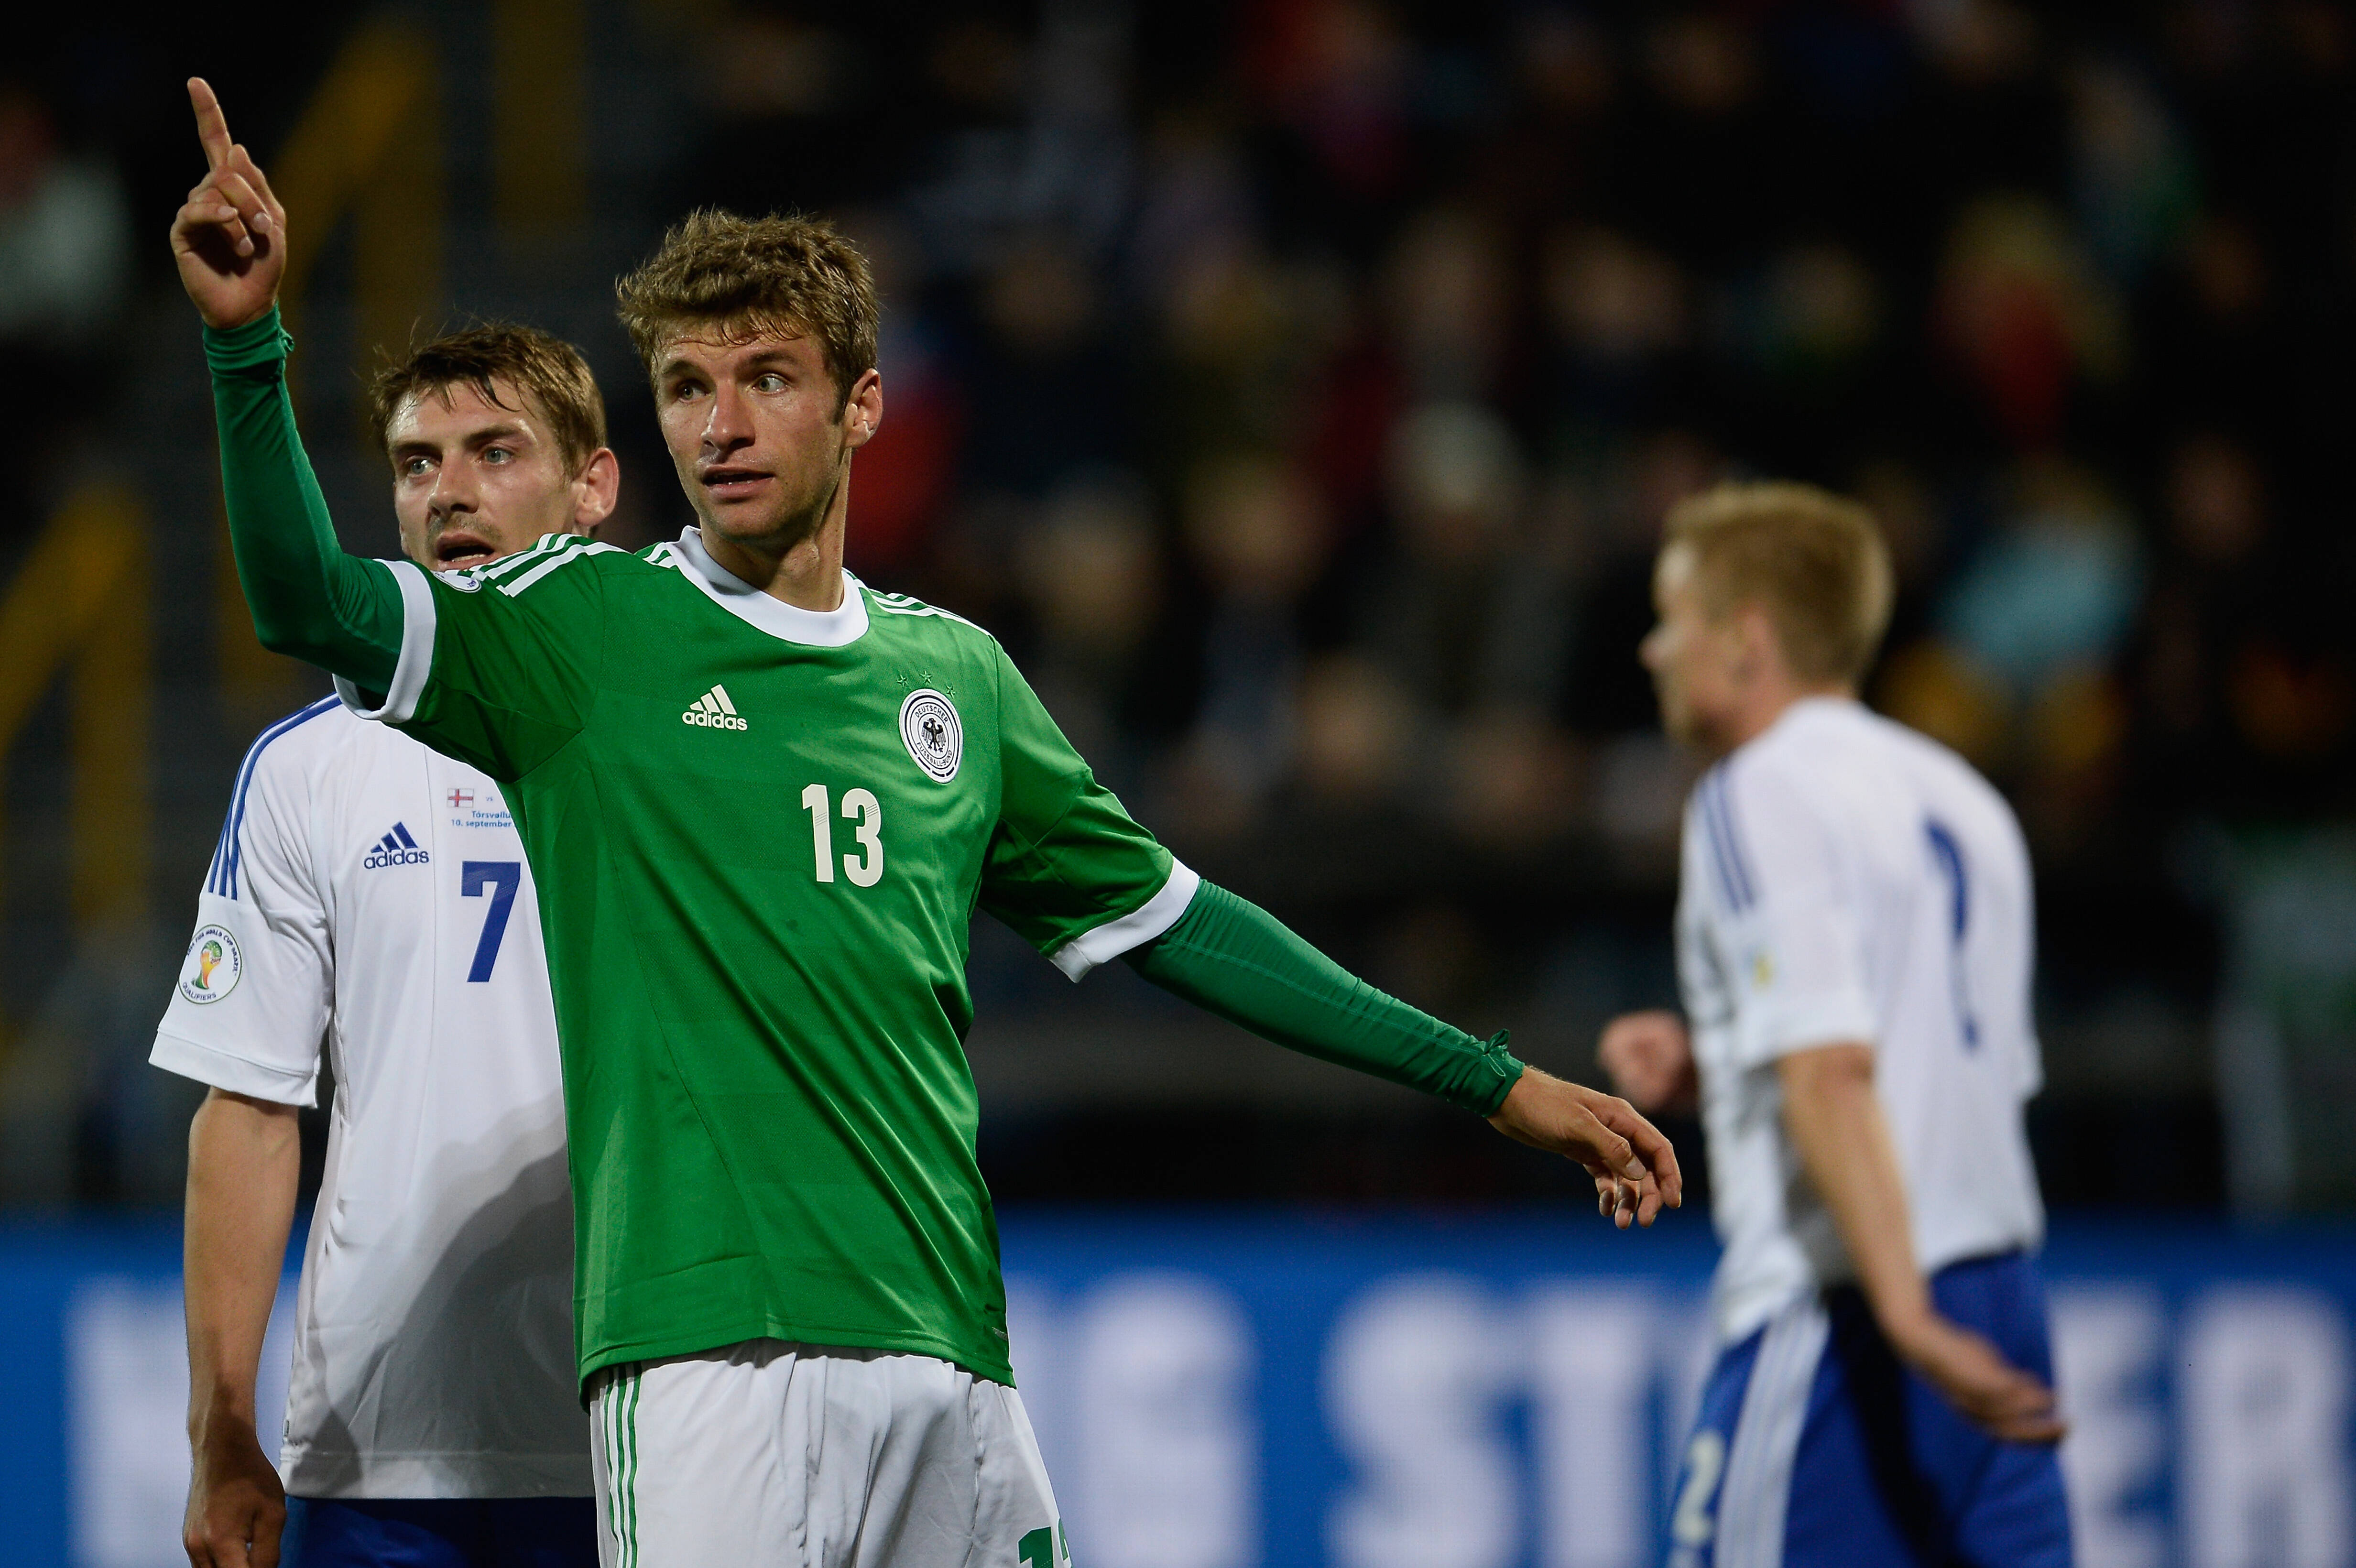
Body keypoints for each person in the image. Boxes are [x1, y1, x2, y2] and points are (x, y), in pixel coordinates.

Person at [172, 76, 1680, 1564]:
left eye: (767, 375)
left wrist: (1493, 1082)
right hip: (708, 1359)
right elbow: (309, 597)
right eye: (690, 386)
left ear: (864, 403)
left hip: (951, 1352)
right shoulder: (583, 628)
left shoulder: (954, 679)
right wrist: (250, 348)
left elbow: (1190, 930)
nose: (724, 422)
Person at [157, 324, 619, 1568]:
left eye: (494, 452)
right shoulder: (312, 769)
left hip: (659, 1428)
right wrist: (223, 1424)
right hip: (384, 1453)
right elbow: (249, 1106)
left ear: (596, 486)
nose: (450, 490)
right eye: (418, 463)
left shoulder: (687, 740)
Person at [1598, 482, 2070, 1568]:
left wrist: (1901, 1314)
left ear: (1746, 638)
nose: (1652, 649)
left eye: (1673, 618)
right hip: (2001, 1293)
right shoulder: (1962, 796)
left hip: (1848, 1301)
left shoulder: (1753, 791)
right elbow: (1950, 1065)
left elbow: (1831, 1070)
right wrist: (1716, 1060)